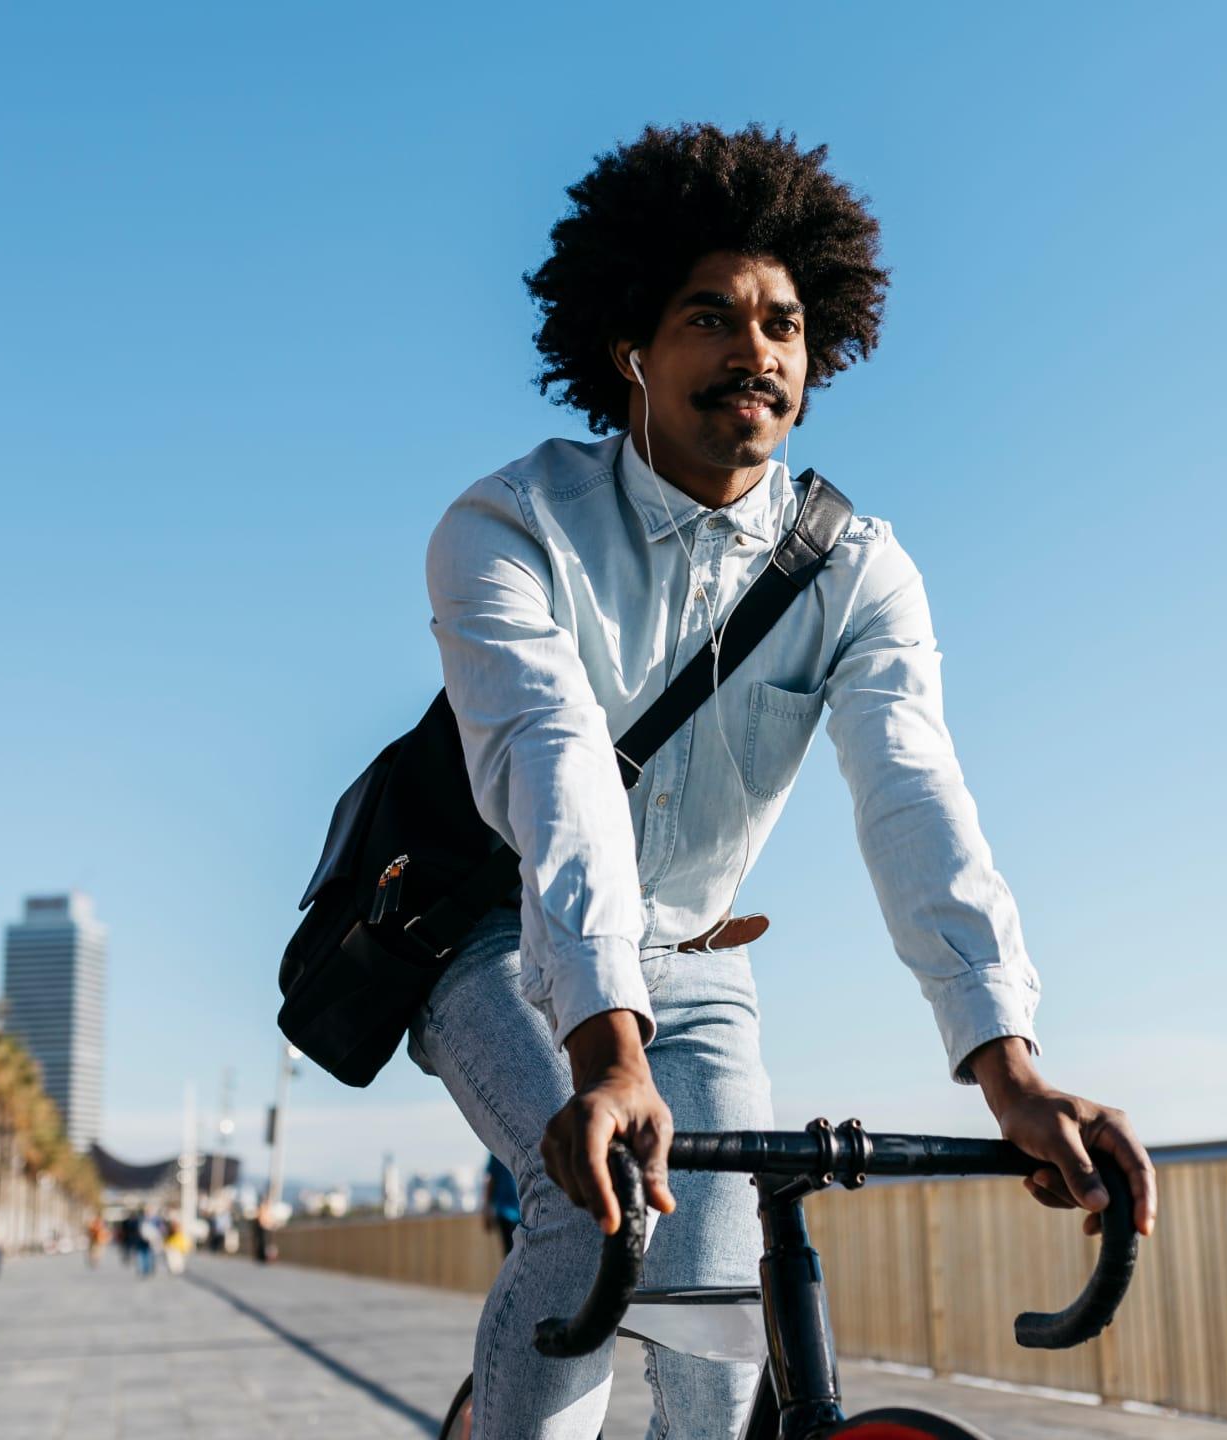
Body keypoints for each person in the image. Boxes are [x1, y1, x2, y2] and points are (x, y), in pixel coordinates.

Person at [407, 123, 1158, 1440]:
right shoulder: (512, 527)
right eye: (710, 316)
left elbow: (915, 795)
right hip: (499, 936)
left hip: (701, 962)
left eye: (784, 324)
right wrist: (606, 1049)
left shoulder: (859, 570)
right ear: (629, 350)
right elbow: (555, 764)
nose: (755, 349)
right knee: (593, 1213)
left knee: (719, 1302)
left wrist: (1009, 1069)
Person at [482, 1152, 522, 1259]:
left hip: (522, 1211)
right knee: (511, 1252)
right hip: (505, 1211)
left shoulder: (521, 1151)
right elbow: (490, 1181)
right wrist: (487, 1210)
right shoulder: (496, 1153)